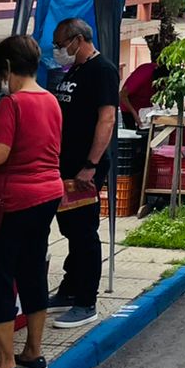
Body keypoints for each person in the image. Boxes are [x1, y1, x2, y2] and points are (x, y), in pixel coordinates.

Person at [0, 34, 65, 368]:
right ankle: (33, 352)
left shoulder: (13, 104)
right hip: (47, 195)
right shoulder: (51, 100)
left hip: (12, 201)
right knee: (32, 271)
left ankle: (4, 363)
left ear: (6, 67)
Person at [46, 17, 119, 331]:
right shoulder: (74, 68)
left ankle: (85, 301)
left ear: (77, 39)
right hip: (64, 164)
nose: (59, 50)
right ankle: (70, 286)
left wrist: (90, 164)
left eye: (62, 44)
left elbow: (107, 119)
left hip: (83, 168)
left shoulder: (102, 70)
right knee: (70, 229)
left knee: (83, 231)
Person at [119, 32, 163, 128]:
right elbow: (122, 95)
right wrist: (134, 114)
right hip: (129, 107)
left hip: (144, 108)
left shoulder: (162, 72)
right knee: (133, 135)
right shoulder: (143, 77)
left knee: (146, 135)